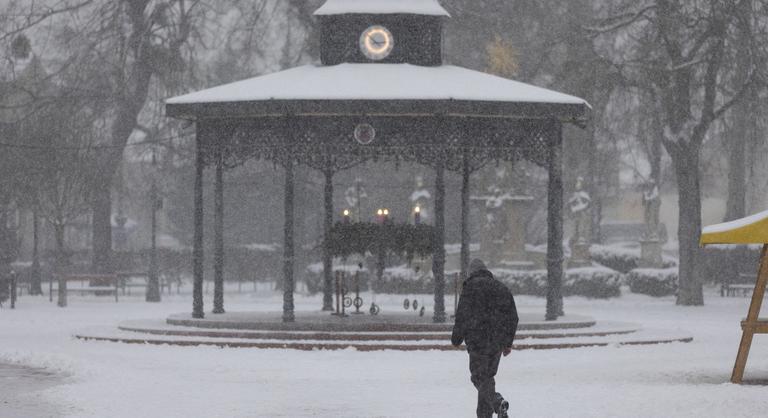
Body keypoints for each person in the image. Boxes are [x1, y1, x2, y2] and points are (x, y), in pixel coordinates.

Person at [452, 259, 519, 418]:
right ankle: (485, 414)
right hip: (496, 343)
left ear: (471, 273)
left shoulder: (470, 289)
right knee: (487, 378)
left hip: (477, 342)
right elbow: (513, 317)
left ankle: (497, 402)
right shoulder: (501, 288)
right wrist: (507, 343)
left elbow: (462, 316)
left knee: (479, 377)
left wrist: (456, 338)